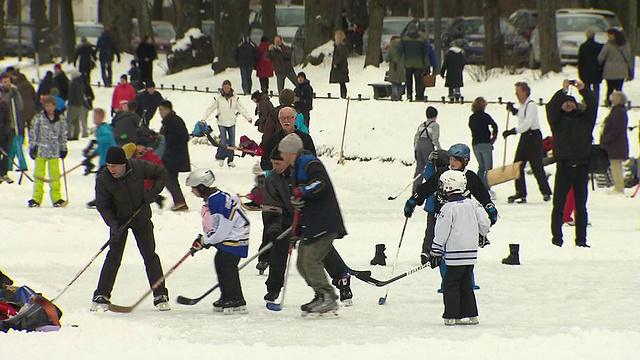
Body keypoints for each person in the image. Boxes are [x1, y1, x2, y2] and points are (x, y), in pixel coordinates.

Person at [259, 148, 354, 305]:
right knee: (278, 247)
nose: (275, 167)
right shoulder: (272, 179)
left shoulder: (300, 173)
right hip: (286, 220)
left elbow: (315, 193)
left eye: (278, 163)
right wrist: (274, 227)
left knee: (319, 249)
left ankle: (341, 279)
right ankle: (274, 287)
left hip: (308, 219)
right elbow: (270, 206)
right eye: (273, 164)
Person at [405, 143, 497, 289]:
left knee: (463, 251)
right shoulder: (442, 174)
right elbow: (426, 188)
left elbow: (482, 194)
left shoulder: (469, 176)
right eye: (451, 159)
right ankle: (447, 282)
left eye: (456, 160)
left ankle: (468, 282)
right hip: (442, 217)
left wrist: (490, 208)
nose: (452, 162)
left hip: (462, 219)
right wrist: (413, 201)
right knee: (443, 250)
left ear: (465, 161)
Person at [91, 146, 170, 312]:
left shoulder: (138, 167)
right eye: (109, 165)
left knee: (150, 255)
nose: (110, 169)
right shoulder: (103, 179)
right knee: (113, 257)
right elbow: (102, 204)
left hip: (140, 217)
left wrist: (153, 193)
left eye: (114, 166)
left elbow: (162, 173)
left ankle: (160, 293)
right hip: (119, 221)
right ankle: (102, 294)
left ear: (123, 164)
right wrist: (113, 224)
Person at [278, 133, 347, 317]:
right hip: (312, 223)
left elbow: (320, 184)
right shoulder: (296, 167)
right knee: (302, 263)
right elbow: (301, 199)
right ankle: (319, 294)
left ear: (290, 151)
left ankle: (328, 296)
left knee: (311, 260)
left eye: (282, 152)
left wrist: (302, 192)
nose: (281, 156)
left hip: (324, 222)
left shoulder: (309, 163)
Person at [427, 170, 490, 326]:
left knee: (451, 284)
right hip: (471, 255)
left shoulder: (448, 208)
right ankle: (472, 314)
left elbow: (441, 231)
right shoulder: (472, 203)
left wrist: (436, 250)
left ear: (449, 186)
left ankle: (451, 315)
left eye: (442, 185)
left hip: (455, 255)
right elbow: (485, 223)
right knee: (466, 283)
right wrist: (482, 235)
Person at [186, 168, 249, 314]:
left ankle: (234, 299)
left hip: (236, 238)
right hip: (234, 236)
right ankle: (230, 296)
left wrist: (205, 240)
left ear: (202, 187)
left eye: (193, 188)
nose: (192, 192)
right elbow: (216, 227)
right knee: (223, 263)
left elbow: (222, 231)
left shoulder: (216, 200)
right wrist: (204, 240)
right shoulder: (215, 197)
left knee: (225, 263)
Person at [546, 79, 596, 248]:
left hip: (581, 166)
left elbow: (593, 103)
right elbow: (550, 107)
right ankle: (556, 239)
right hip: (564, 167)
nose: (568, 104)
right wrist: (564, 91)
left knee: (581, 206)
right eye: (565, 103)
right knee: (558, 205)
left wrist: (583, 90)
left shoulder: (585, 120)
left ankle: (581, 240)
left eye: (571, 102)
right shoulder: (557, 121)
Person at [503, 81, 552, 203]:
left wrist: (513, 131)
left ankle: (546, 192)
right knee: (518, 164)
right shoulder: (524, 105)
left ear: (525, 92)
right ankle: (520, 192)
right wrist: (513, 110)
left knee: (536, 166)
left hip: (533, 137)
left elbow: (527, 123)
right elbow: (521, 115)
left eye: (518, 91)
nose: (516, 94)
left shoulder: (531, 105)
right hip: (525, 137)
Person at [27, 96, 68, 208]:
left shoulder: (60, 118)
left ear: (54, 106)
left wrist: (63, 147)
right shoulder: (39, 118)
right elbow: (33, 133)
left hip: (54, 152)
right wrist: (33, 147)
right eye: (47, 106)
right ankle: (36, 198)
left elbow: (63, 134)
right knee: (39, 175)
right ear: (44, 106)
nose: (49, 108)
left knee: (55, 176)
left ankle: (57, 198)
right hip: (41, 151)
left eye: (51, 105)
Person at [201, 80, 252, 168]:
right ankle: (221, 158)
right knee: (223, 141)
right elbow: (210, 108)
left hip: (231, 122)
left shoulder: (235, 98)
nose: (226, 89)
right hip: (222, 122)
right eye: (225, 88)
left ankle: (230, 160)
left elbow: (241, 108)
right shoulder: (218, 98)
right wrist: (203, 119)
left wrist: (248, 117)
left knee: (232, 142)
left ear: (230, 87)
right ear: (222, 88)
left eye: (228, 88)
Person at [260, 106, 315, 172]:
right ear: (279, 120)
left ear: (295, 119)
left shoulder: (305, 138)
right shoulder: (274, 140)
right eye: (282, 118)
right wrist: (278, 165)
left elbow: (312, 161)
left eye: (289, 118)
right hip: (279, 178)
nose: (286, 121)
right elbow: (264, 164)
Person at [158, 100, 191, 211]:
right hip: (171, 155)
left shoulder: (175, 121)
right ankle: (179, 201)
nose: (160, 112)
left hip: (174, 156)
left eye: (161, 110)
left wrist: (172, 148)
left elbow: (184, 137)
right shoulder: (168, 121)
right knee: (170, 178)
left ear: (168, 109)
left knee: (168, 178)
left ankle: (180, 201)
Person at [86, 108, 117, 208]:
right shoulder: (100, 129)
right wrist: (92, 155)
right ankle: (102, 199)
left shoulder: (104, 129)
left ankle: (103, 200)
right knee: (102, 180)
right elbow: (101, 147)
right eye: (93, 117)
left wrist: (98, 141)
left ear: (101, 117)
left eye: (96, 117)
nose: (94, 119)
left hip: (109, 160)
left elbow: (108, 138)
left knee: (102, 180)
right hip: (104, 160)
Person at [600, 91, 629, 194]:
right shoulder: (619, 111)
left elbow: (615, 129)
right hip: (617, 143)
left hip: (616, 143)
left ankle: (619, 187)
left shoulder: (618, 112)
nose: (612, 100)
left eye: (614, 99)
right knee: (615, 165)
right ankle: (618, 185)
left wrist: (606, 139)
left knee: (615, 164)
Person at [468, 97, 498, 195]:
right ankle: (485, 188)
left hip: (475, 144)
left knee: (481, 166)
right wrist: (493, 137)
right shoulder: (485, 117)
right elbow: (495, 126)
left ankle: (476, 186)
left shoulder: (472, 118)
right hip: (485, 143)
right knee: (488, 167)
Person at [598, 28, 633, 107]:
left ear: (612, 35)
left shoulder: (609, 44)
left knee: (609, 88)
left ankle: (608, 101)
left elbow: (601, 57)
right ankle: (620, 102)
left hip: (610, 70)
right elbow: (628, 56)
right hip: (621, 69)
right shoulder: (625, 44)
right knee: (619, 87)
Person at [0, 73, 23, 182]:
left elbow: (20, 106)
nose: (7, 84)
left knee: (7, 151)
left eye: (8, 81)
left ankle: (4, 173)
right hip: (1, 125)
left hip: (11, 125)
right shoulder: (2, 94)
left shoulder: (14, 92)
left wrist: (16, 94)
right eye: (4, 82)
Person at [12, 73, 37, 171]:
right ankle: (32, 141)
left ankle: (23, 141)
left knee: (21, 128)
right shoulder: (30, 86)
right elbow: (35, 97)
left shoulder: (17, 88)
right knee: (32, 127)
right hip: (31, 109)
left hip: (22, 111)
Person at [413, 106, 442, 191]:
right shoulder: (435, 125)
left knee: (419, 168)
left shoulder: (422, 124)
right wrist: (439, 150)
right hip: (428, 145)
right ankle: (430, 189)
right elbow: (435, 139)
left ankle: (415, 190)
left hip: (419, 145)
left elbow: (416, 137)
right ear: (435, 116)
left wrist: (415, 148)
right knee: (430, 167)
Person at [400, 21, 429, 102]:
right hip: (418, 64)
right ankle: (419, 95)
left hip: (408, 63)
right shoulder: (421, 40)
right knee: (418, 80)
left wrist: (396, 60)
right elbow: (424, 53)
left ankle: (409, 94)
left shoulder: (404, 39)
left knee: (409, 80)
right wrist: (427, 64)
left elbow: (400, 51)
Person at [578, 29, 603, 107]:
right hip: (596, 70)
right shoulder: (598, 46)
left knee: (587, 87)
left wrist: (580, 71)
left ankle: (588, 101)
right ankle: (596, 101)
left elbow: (580, 60)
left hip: (586, 70)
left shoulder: (583, 47)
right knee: (596, 87)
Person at [66, 70, 87, 141]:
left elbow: (71, 95)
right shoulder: (82, 83)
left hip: (74, 104)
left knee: (69, 120)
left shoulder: (73, 84)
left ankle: (69, 135)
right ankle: (76, 134)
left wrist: (69, 104)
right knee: (76, 120)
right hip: (80, 104)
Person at [330, 30, 350, 99]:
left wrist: (336, 63)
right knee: (342, 82)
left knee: (342, 81)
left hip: (340, 67)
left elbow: (342, 56)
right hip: (342, 67)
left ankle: (343, 94)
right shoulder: (341, 46)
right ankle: (343, 94)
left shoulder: (340, 46)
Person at [385, 36, 406, 102]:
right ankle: (399, 95)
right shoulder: (403, 48)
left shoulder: (391, 49)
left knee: (394, 84)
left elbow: (387, 59)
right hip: (402, 68)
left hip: (394, 67)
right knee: (400, 83)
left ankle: (395, 96)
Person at [0, 92, 12, 184]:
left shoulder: (5, 106)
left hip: (5, 134)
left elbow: (8, 120)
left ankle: (4, 173)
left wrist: (5, 131)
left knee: (6, 154)